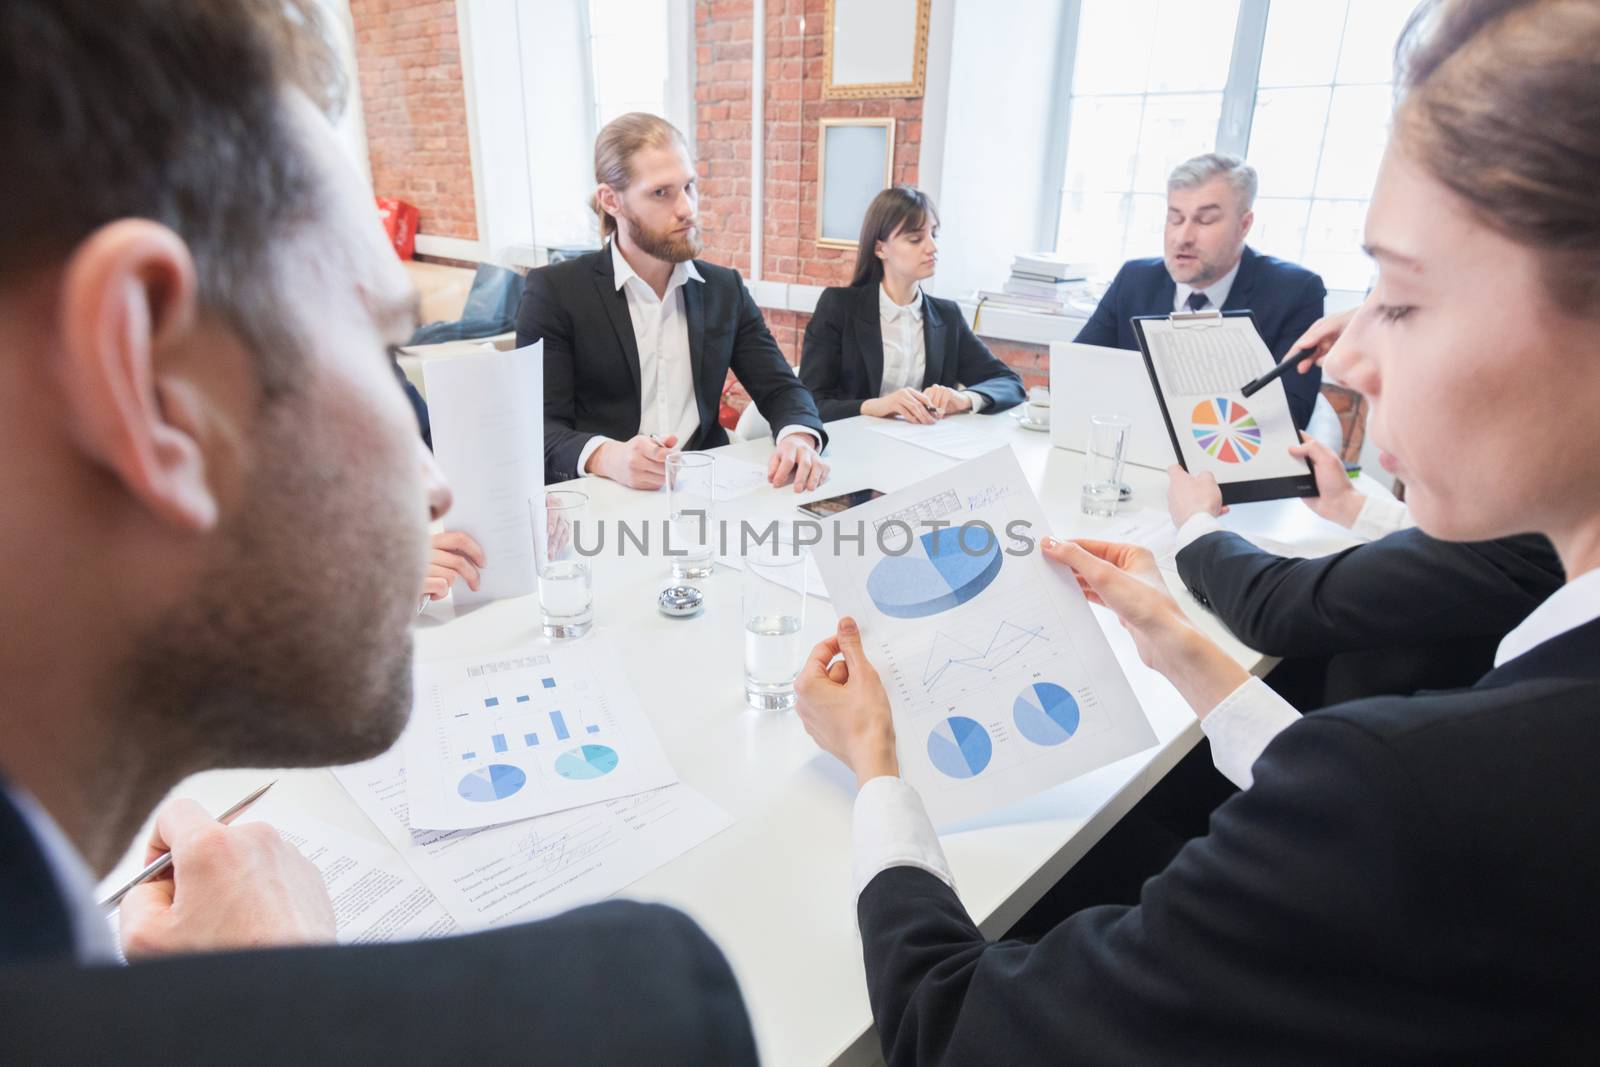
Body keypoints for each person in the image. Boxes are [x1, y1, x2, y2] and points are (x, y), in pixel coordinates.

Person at [793, 0, 1600, 1059]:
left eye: (1398, 298)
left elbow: (949, 1025)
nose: (1348, 361)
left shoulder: (1415, 787)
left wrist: (878, 766)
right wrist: (1186, 650)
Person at [0, 3, 756, 1062]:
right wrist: (278, 1005)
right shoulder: (639, 1016)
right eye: (381, 340)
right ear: (150, 381)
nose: (436, 481)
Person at [518, 112, 828, 492]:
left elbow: (782, 389)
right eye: (661, 193)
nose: (687, 209)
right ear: (611, 200)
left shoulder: (723, 288)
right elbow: (538, 429)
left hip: (706, 493)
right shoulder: (556, 291)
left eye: (689, 187)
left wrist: (799, 437)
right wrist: (607, 456)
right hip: (603, 497)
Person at [1166, 430, 1563, 704]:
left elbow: (1278, 606)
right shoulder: (1549, 517)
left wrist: (1195, 523)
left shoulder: (1527, 531)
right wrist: (1349, 506)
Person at [1075, 153, 1328, 430]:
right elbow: (1071, 379)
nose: (1183, 237)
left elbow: (1290, 416)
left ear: (1244, 225)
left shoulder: (1295, 292)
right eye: (1175, 218)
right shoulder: (1134, 280)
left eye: (1205, 220)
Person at [798, 186, 1025, 423]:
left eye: (934, 235)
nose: (932, 248)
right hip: (856, 448)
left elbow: (1009, 383)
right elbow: (809, 402)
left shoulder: (947, 316)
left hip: (923, 450)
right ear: (880, 248)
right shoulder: (839, 307)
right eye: (915, 239)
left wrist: (963, 399)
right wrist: (875, 406)